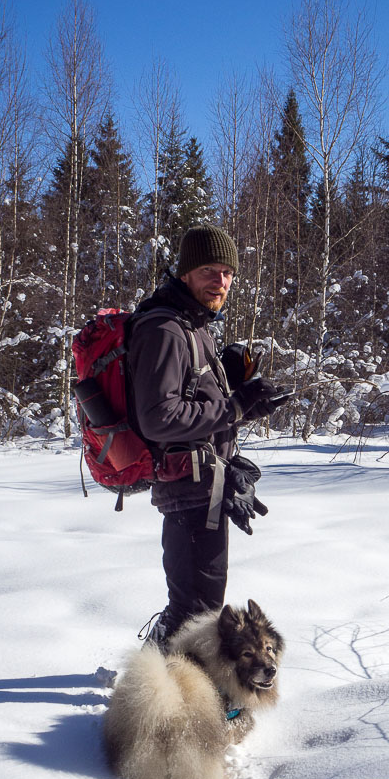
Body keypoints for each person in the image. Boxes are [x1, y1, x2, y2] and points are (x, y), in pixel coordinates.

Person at [126, 223, 285, 648]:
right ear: (185, 274)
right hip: (187, 492)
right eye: (209, 270)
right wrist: (234, 406)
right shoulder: (165, 331)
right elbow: (159, 418)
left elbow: (199, 412)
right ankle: (162, 701)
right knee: (196, 611)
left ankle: (159, 683)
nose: (221, 281)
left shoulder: (196, 326)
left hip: (206, 487)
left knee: (195, 607)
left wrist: (244, 402)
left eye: (227, 272)